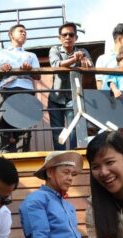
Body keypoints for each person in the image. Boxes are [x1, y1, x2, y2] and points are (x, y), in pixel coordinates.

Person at [0, 24, 40, 153]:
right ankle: (3, 151)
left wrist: (30, 69)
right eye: (20, 31)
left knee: (25, 122)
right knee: (2, 120)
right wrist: (1, 69)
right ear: (11, 34)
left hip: (26, 89)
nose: (24, 34)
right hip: (6, 88)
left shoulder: (31, 55)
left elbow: (38, 76)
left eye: (25, 32)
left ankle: (22, 152)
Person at [48, 22, 93, 150]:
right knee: (58, 131)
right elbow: (55, 65)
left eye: (71, 35)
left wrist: (84, 60)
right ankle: (61, 158)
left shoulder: (82, 51)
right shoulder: (55, 49)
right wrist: (75, 60)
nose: (68, 37)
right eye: (64, 35)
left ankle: (74, 157)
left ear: (76, 38)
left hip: (74, 98)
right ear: (60, 38)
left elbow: (90, 65)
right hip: (55, 99)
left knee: (74, 130)